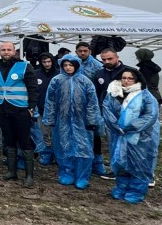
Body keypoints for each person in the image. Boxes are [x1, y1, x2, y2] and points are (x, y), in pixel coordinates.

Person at [42, 55, 102, 189]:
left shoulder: (85, 81)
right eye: (65, 65)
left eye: (70, 65)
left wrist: (91, 121)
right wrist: (50, 118)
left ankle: (82, 176)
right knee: (63, 146)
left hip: (82, 122)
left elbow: (92, 103)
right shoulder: (56, 81)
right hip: (62, 121)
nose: (68, 68)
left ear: (77, 65)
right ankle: (66, 173)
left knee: (83, 148)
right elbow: (50, 101)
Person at [102, 68, 160, 204]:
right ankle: (121, 187)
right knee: (121, 162)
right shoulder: (113, 93)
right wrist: (116, 126)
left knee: (139, 164)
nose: (126, 81)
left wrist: (130, 127)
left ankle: (136, 191)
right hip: (119, 135)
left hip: (141, 137)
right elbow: (107, 110)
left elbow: (150, 115)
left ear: (137, 80)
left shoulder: (145, 96)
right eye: (124, 78)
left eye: (130, 78)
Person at [0, 42, 38, 187]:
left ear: (14, 51)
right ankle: (12, 171)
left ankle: (29, 175)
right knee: (9, 140)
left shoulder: (24, 66)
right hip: (2, 109)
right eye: (3, 50)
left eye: (8, 50)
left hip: (21, 109)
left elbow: (33, 87)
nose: (6, 52)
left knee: (24, 141)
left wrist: (31, 106)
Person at [92, 47, 136, 178]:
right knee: (113, 142)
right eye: (104, 59)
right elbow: (96, 93)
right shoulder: (99, 73)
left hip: (127, 113)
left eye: (110, 59)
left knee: (129, 142)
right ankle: (116, 169)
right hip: (107, 114)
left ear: (117, 57)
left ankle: (133, 170)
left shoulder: (129, 72)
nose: (107, 61)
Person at [34, 52, 59, 166]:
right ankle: (46, 154)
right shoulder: (36, 74)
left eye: (49, 61)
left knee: (57, 134)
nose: (47, 64)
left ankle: (57, 155)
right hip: (41, 109)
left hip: (57, 110)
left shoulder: (59, 74)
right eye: (44, 62)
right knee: (44, 133)